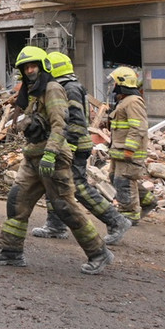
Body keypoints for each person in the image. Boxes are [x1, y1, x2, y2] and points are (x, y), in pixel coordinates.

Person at [0, 46, 112, 274]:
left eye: (33, 66)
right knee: (17, 200)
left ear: (43, 67)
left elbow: (59, 124)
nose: (29, 70)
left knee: (64, 206)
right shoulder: (33, 92)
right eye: (25, 67)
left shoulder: (52, 89)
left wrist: (51, 154)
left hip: (52, 158)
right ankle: (11, 251)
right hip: (34, 156)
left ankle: (98, 252)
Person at [30, 51, 130, 245]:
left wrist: (69, 147)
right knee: (53, 183)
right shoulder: (63, 87)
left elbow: (75, 122)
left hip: (73, 146)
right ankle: (55, 226)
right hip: (65, 145)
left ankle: (116, 221)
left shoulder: (70, 88)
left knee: (78, 187)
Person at [107, 66, 157, 225]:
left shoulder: (133, 102)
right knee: (114, 178)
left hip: (128, 152)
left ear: (121, 83)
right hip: (119, 151)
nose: (112, 86)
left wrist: (129, 149)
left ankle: (129, 214)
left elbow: (138, 127)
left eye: (114, 82)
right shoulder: (124, 101)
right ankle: (147, 200)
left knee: (124, 181)